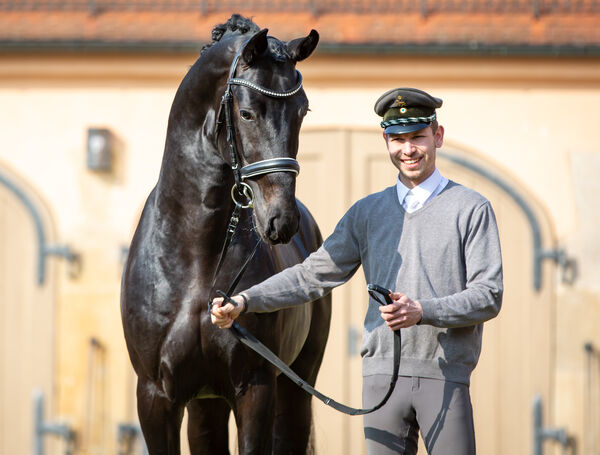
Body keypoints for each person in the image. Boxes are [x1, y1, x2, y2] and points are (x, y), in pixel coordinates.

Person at [211, 87, 503, 455]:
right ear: (386, 141)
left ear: (437, 136)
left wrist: (422, 311)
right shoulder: (366, 213)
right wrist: (245, 300)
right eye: (398, 139)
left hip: (445, 375)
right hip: (380, 379)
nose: (408, 149)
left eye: (418, 137)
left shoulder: (472, 208)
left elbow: (488, 296)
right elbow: (309, 276)